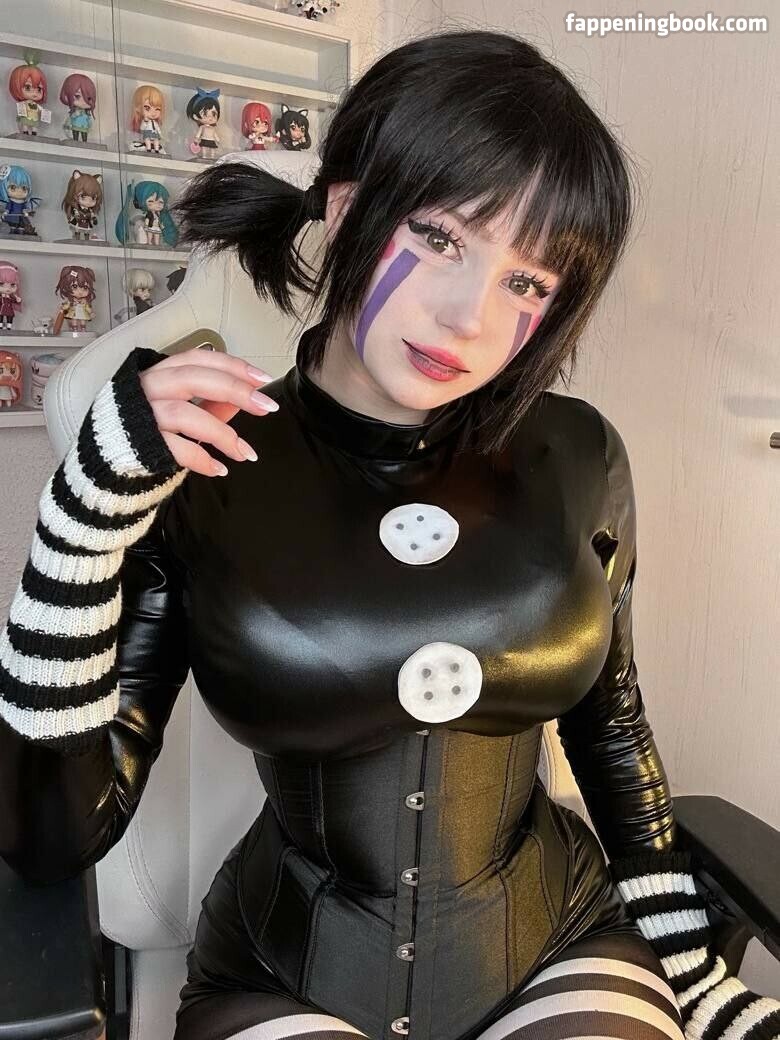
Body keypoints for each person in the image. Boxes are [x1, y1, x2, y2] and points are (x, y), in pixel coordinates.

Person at [0, 29, 777, 1040]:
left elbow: (612, 730)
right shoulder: (203, 460)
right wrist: (83, 516)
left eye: (527, 282)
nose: (467, 319)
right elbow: (53, 841)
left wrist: (692, 968)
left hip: (562, 941)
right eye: (441, 237)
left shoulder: (576, 454)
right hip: (287, 972)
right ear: (345, 207)